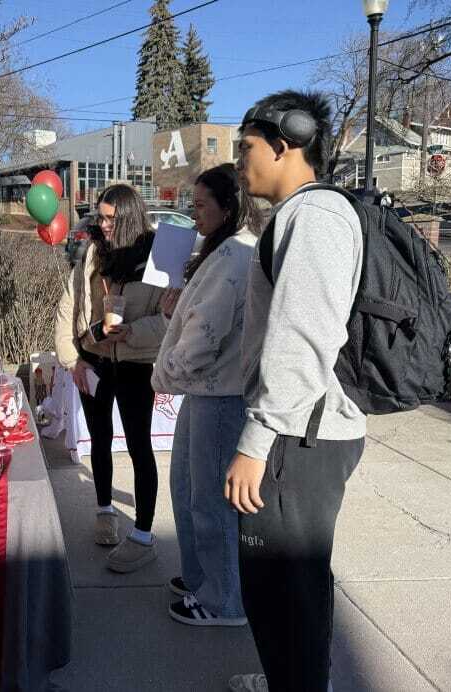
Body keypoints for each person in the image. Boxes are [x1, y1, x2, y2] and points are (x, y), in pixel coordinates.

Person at [225, 91, 365, 692]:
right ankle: (294, 678)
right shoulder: (300, 217)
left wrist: (255, 443)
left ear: (287, 142)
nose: (239, 162)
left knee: (285, 588)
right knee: (293, 588)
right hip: (300, 431)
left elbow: (302, 339)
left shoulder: (316, 216)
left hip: (296, 436)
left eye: (246, 147)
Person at [152, 163, 256, 627]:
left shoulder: (235, 255)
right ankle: (202, 578)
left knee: (210, 500)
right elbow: (197, 319)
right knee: (189, 490)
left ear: (228, 206)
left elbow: (204, 334)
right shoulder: (222, 252)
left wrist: (164, 375)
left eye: (199, 205)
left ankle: (223, 599)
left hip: (221, 395)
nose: (192, 216)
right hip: (205, 392)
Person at [54, 183, 166, 573]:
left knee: (139, 446)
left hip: (136, 364)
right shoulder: (90, 252)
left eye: (109, 218)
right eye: (99, 216)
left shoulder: (159, 253)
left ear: (130, 218)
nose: (101, 225)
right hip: (94, 361)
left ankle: (143, 534)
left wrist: (132, 332)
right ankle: (105, 511)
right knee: (98, 438)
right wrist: (73, 361)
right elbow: (68, 306)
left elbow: (172, 318)